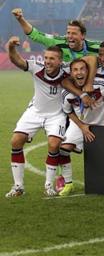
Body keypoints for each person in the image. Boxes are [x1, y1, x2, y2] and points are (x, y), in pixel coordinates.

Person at [5, 38, 68, 198]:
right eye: (46, 57)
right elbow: (17, 60)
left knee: (54, 145)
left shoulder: (67, 72)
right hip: (35, 111)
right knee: (16, 141)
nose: (47, 61)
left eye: (52, 58)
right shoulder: (36, 67)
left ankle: (49, 186)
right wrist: (11, 47)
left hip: (56, 115)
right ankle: (18, 187)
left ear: (60, 61)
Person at [59, 58, 104, 196]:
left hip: (102, 124)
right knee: (63, 150)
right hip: (80, 124)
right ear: (71, 74)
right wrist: (82, 126)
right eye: (75, 70)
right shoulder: (66, 93)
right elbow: (68, 111)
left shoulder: (100, 85)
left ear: (88, 72)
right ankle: (68, 183)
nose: (79, 72)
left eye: (82, 69)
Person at [11, 9, 100, 61]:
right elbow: (36, 35)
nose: (70, 36)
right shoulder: (59, 42)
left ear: (83, 36)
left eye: (74, 33)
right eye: (68, 33)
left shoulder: (94, 47)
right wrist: (20, 19)